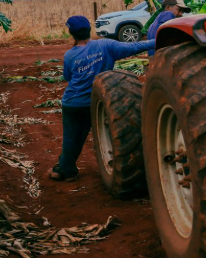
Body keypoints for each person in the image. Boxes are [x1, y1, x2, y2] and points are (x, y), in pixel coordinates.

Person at [50, 16, 155, 182]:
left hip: (72, 102)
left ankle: (66, 169)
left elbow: (68, 77)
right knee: (108, 131)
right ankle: (117, 164)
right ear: (89, 29)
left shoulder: (70, 55)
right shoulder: (106, 45)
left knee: (72, 137)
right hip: (95, 101)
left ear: (72, 33)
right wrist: (159, 40)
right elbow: (136, 46)